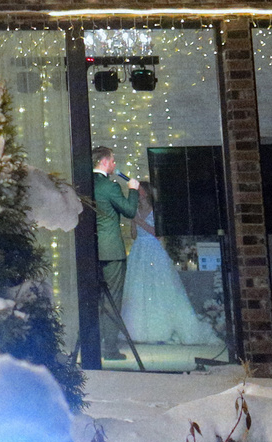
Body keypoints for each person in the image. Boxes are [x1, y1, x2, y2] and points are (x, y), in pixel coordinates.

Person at [121, 183, 225, 352]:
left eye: (140, 191)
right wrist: (133, 222)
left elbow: (157, 232)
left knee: (161, 288)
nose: (138, 194)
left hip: (153, 249)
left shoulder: (156, 211)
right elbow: (133, 235)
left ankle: (161, 328)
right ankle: (137, 330)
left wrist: (139, 221)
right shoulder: (135, 210)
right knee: (139, 288)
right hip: (139, 250)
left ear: (146, 193)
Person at [91, 146, 139, 316]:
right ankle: (109, 341)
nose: (114, 163)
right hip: (111, 250)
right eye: (112, 160)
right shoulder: (110, 187)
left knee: (93, 298)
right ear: (104, 162)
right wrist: (133, 190)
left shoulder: (86, 184)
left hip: (91, 250)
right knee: (113, 297)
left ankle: (95, 338)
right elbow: (130, 211)